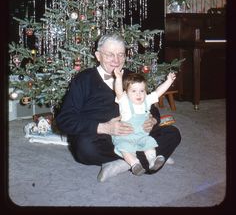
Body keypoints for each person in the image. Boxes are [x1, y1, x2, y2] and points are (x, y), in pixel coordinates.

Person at [56, 33, 181, 182]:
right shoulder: (83, 79)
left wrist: (152, 120)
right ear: (98, 55)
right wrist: (105, 128)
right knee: (84, 148)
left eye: (120, 55)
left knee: (173, 133)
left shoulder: (131, 77)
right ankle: (151, 157)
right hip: (102, 137)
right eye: (110, 55)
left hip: (136, 134)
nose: (116, 60)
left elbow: (150, 107)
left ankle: (124, 162)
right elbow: (64, 120)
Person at [112, 69, 176, 176]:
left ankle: (152, 161)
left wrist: (169, 81)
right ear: (126, 93)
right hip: (126, 137)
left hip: (142, 136)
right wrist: (118, 78)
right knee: (124, 148)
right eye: (134, 91)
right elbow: (118, 91)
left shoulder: (146, 100)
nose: (139, 94)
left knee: (149, 144)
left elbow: (159, 91)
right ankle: (135, 164)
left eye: (142, 91)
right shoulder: (125, 102)